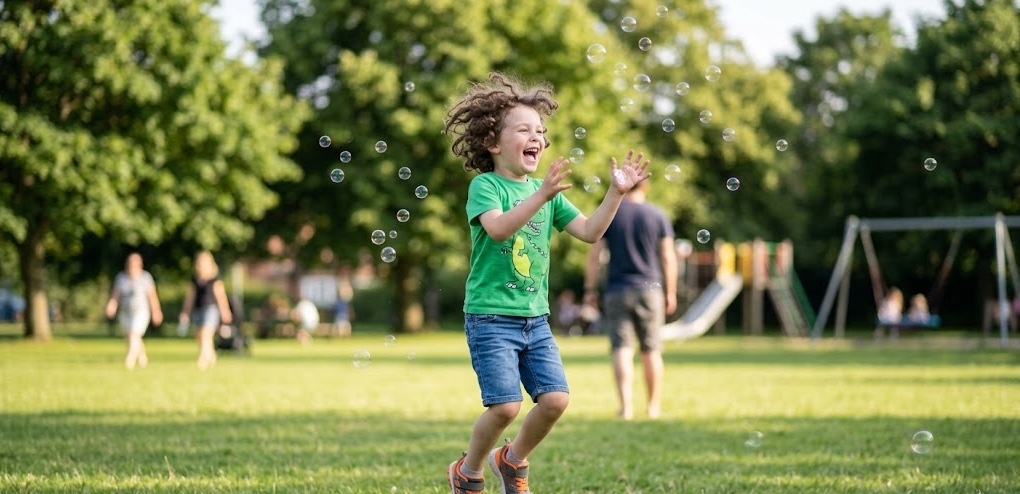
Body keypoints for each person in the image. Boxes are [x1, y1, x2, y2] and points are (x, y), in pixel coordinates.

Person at [442, 71, 650, 494]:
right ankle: (469, 470)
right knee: (504, 406)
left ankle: (512, 459)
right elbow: (498, 229)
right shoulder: (487, 186)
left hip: (534, 320)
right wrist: (541, 196)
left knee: (555, 400)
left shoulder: (547, 192)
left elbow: (591, 231)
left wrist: (616, 194)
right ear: (493, 143)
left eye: (540, 130)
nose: (536, 136)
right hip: (490, 317)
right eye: (524, 129)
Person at [583, 178, 677, 420]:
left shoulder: (611, 214)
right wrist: (671, 292)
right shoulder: (657, 215)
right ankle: (653, 407)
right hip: (650, 288)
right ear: (645, 186)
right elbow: (668, 256)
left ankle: (626, 408)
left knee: (622, 348)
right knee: (651, 349)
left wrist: (590, 289)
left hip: (618, 288)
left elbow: (595, 254)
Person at [104, 253, 163, 370]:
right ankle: (142, 360)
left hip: (141, 311)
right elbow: (116, 295)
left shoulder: (145, 278)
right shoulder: (121, 278)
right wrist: (111, 306)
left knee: (134, 334)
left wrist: (156, 311)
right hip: (126, 311)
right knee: (130, 336)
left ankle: (129, 361)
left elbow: (152, 297)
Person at [179, 251, 233, 369]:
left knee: (206, 334)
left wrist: (225, 311)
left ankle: (202, 359)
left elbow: (221, 296)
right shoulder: (195, 280)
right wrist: (185, 312)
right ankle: (211, 356)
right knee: (199, 336)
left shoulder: (214, 279)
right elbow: (190, 298)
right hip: (198, 310)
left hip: (211, 310)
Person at [333, 264, 354, 337]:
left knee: (345, 321)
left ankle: (345, 335)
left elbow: (348, 295)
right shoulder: (340, 282)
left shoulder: (346, 282)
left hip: (344, 303)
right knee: (340, 321)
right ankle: (339, 334)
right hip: (341, 304)